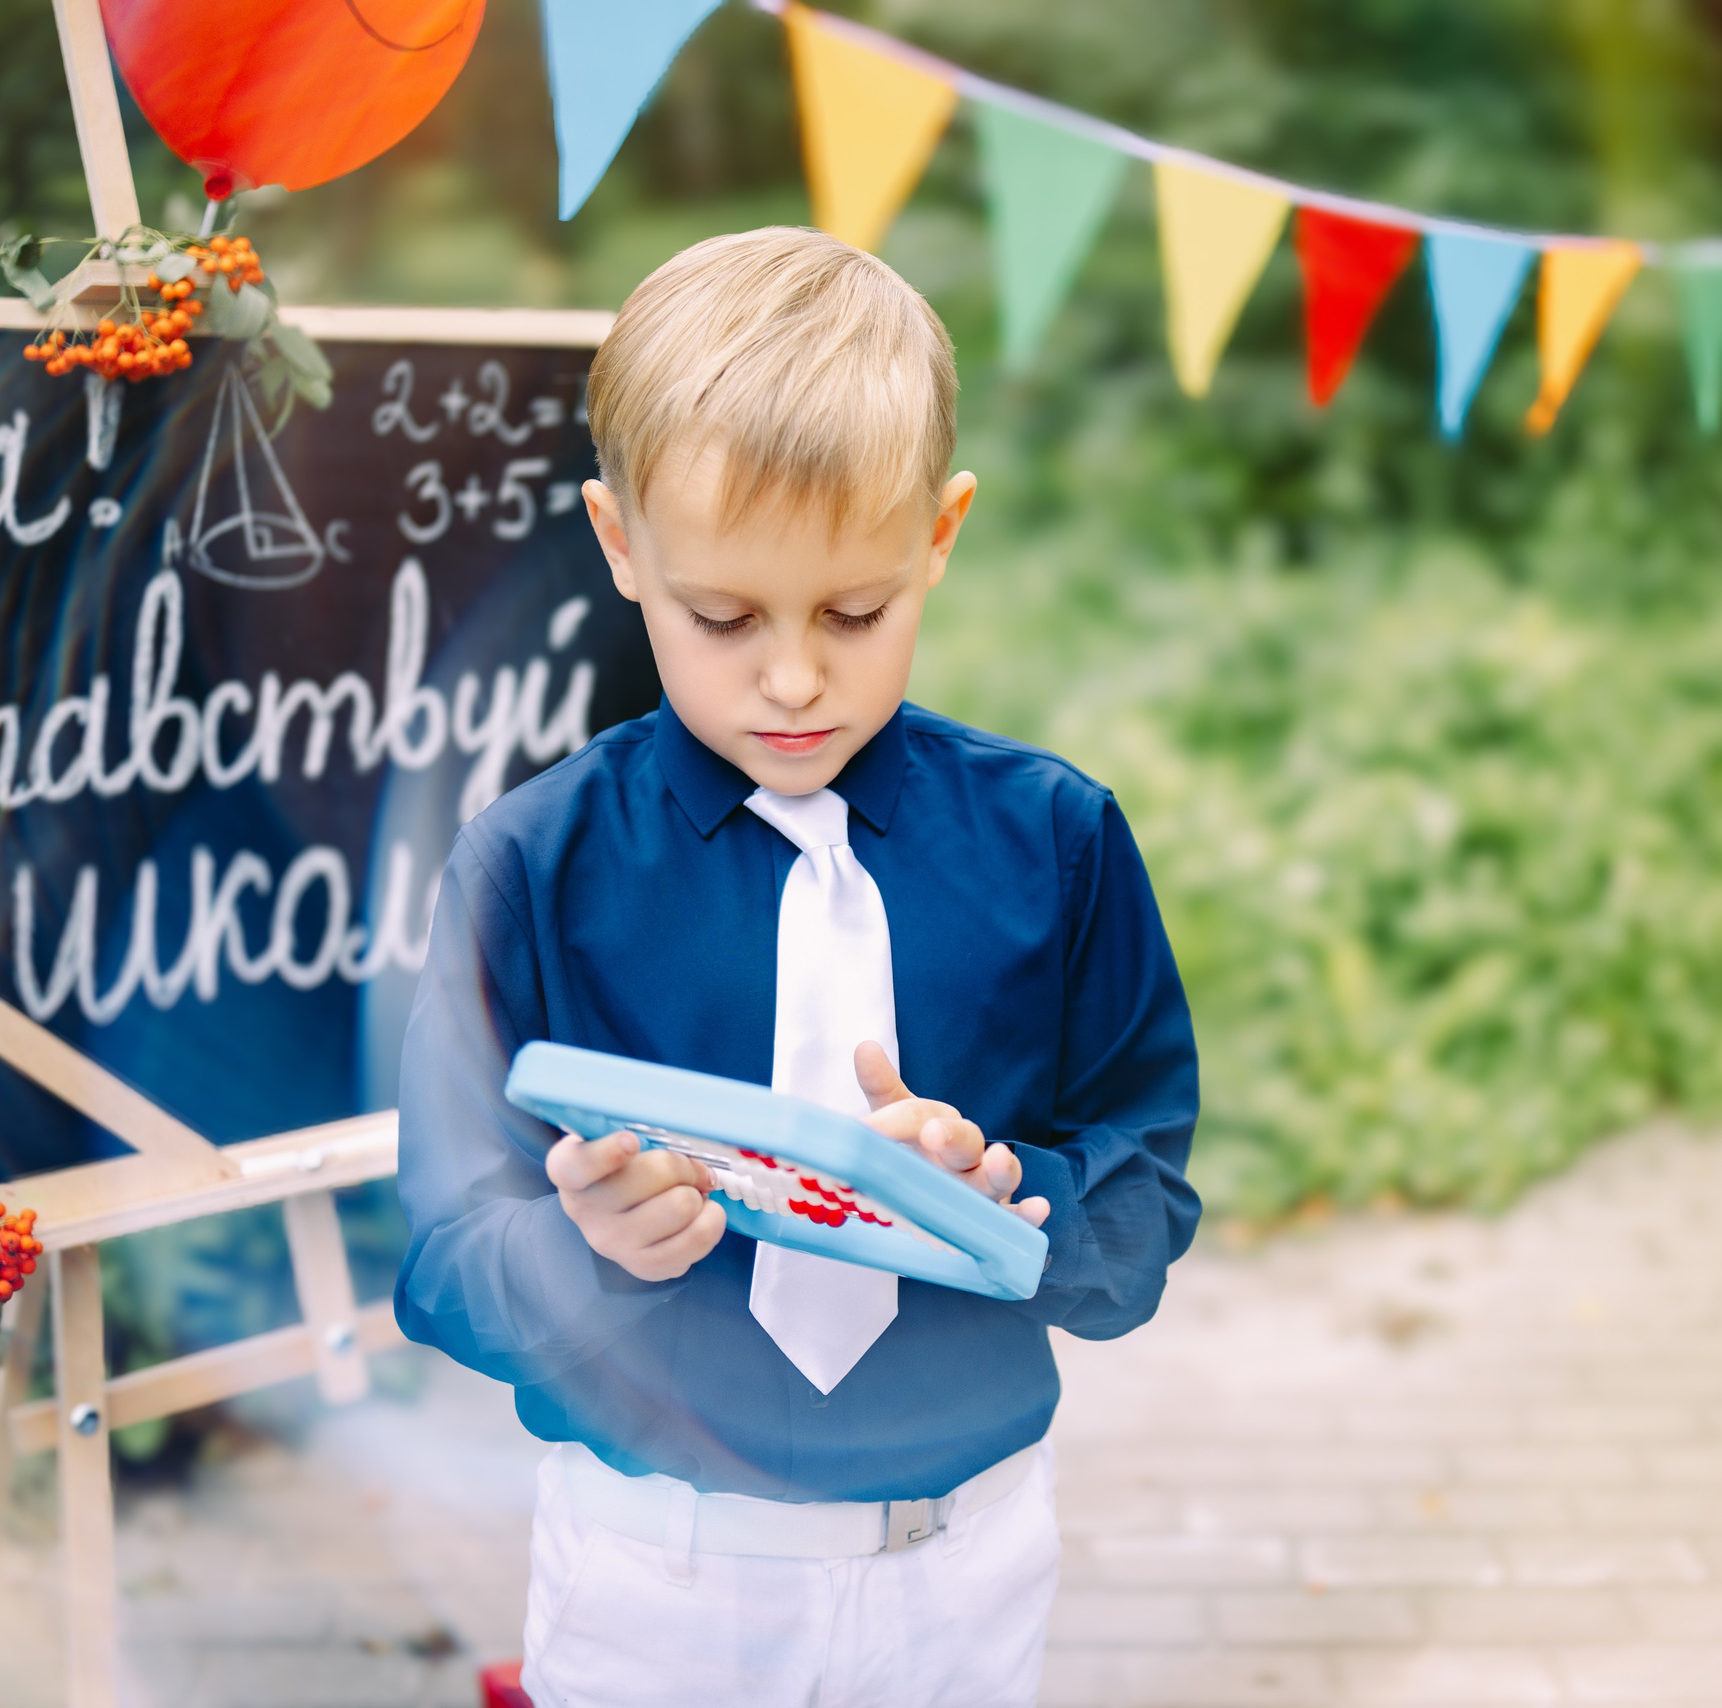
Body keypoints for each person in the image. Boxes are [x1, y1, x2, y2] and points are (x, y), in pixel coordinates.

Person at [393, 225, 1200, 1708]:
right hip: (658, 1577)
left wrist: (1007, 1202)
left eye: (854, 612)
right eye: (722, 617)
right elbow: (441, 1266)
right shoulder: (529, 865)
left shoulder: (1058, 842)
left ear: (941, 533)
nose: (790, 678)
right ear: (622, 542)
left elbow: (1144, 1206)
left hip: (965, 1563)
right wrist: (592, 1251)